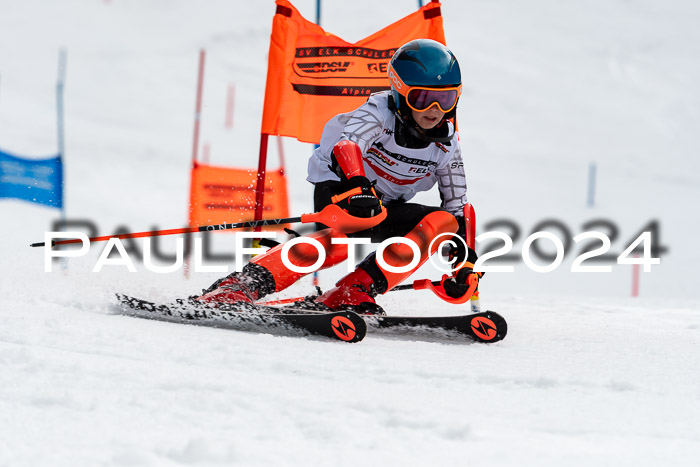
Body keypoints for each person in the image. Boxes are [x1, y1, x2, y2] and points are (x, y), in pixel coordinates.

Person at [197, 38, 482, 314]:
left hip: (385, 206)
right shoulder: (379, 113)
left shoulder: (447, 145)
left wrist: (465, 263)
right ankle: (240, 285)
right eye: (422, 99)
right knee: (340, 242)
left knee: (442, 221)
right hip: (341, 183)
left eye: (445, 99)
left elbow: (458, 209)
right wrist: (357, 186)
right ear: (399, 91)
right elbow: (347, 144)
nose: (435, 110)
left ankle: (353, 291)